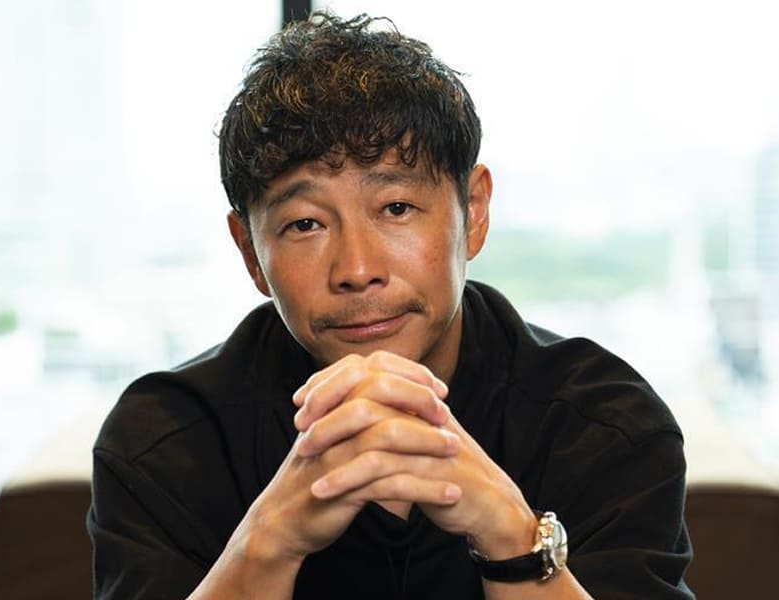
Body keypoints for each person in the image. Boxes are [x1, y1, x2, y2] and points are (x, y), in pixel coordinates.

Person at [87, 12, 694, 600]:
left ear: (473, 212)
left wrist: (511, 536)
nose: (357, 270)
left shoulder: (604, 422)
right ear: (250, 251)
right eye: (305, 223)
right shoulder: (163, 441)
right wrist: (268, 543)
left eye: (396, 208)